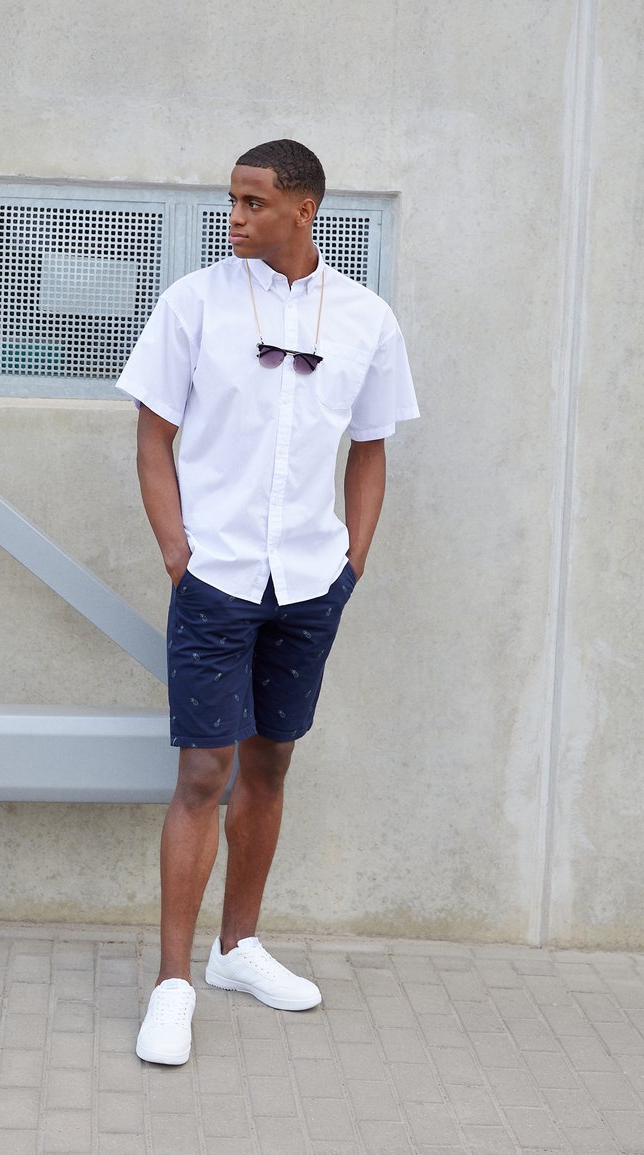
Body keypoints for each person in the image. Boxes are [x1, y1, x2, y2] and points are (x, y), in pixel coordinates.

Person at [117, 139, 418, 1065]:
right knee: (202, 772)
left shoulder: (365, 318)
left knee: (273, 761)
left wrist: (352, 560)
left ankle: (237, 949)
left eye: (253, 202)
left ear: (304, 208)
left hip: (310, 581)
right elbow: (153, 438)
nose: (236, 218)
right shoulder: (195, 302)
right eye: (232, 201)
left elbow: (371, 448)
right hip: (216, 577)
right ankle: (172, 983)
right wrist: (179, 553)